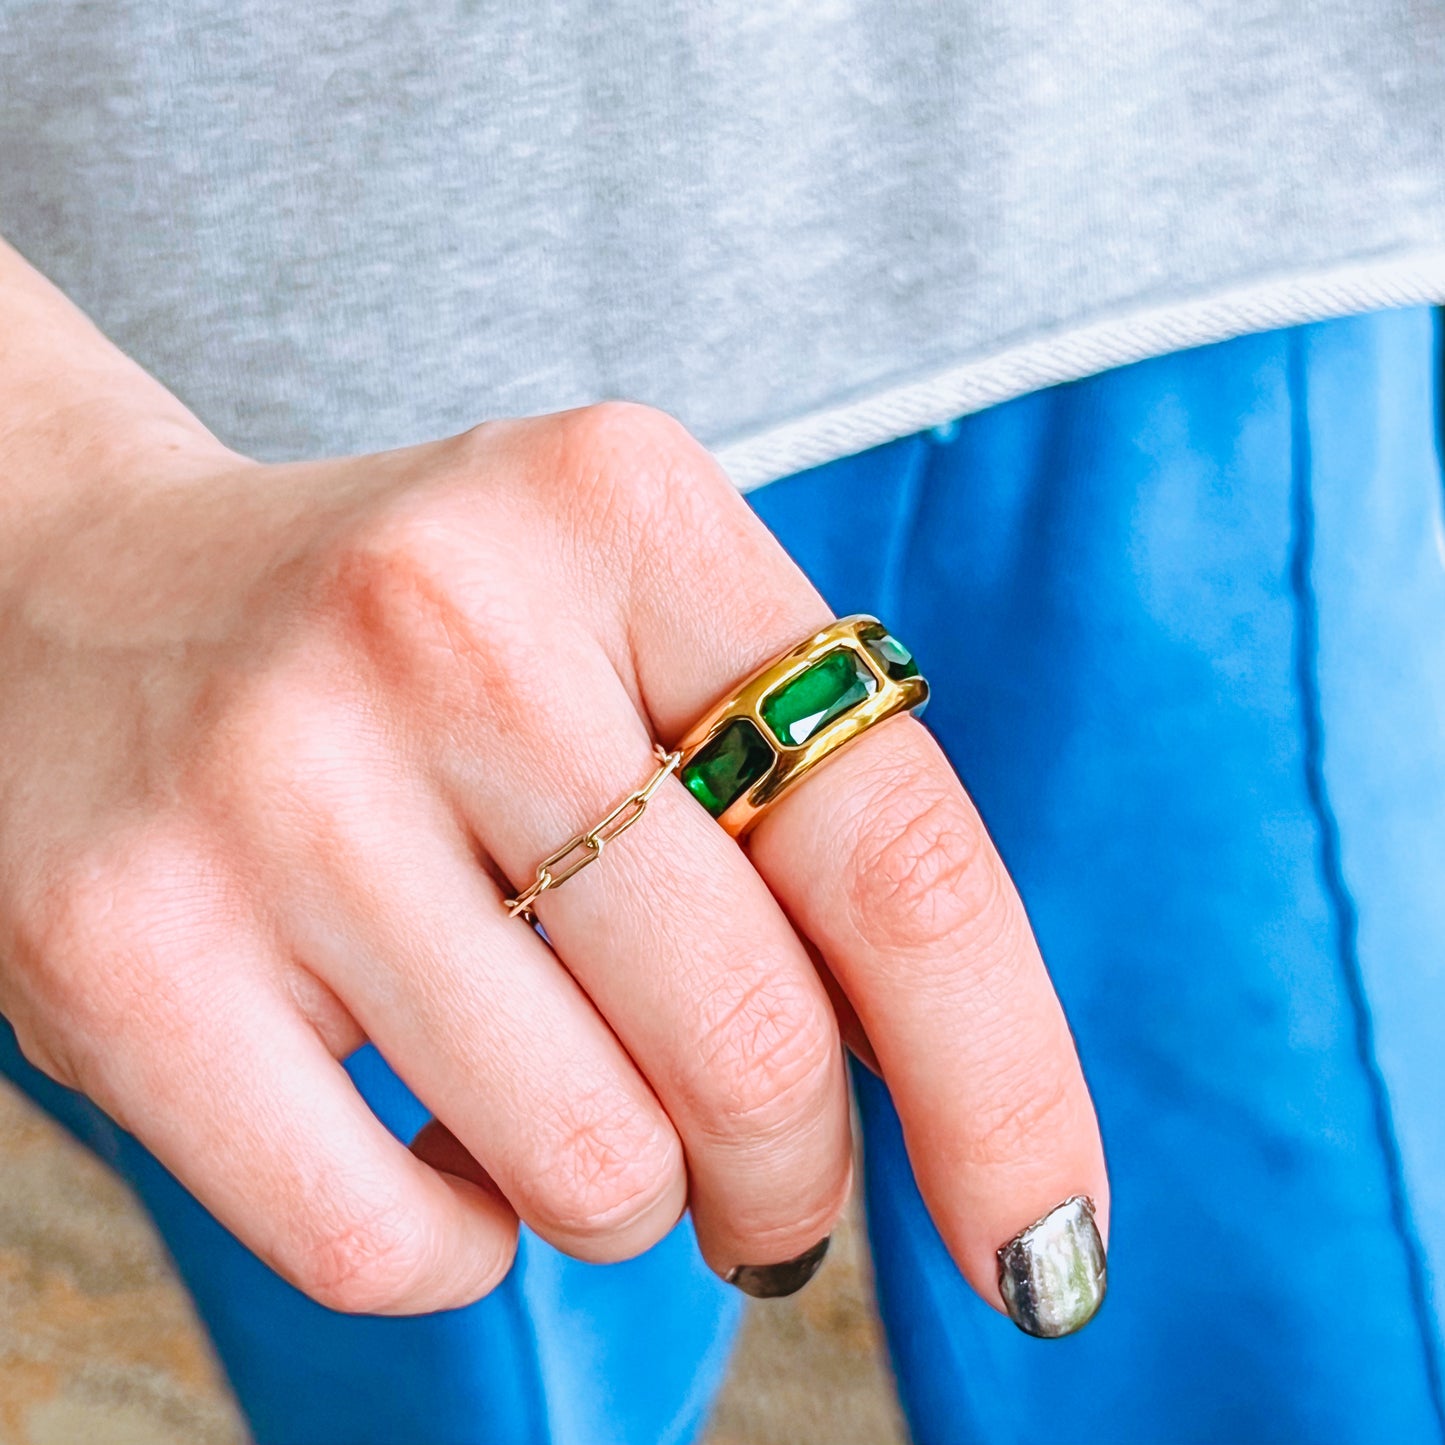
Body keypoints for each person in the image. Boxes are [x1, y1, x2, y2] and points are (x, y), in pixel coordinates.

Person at [0, 5, 1442, 1443]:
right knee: (475, 1279)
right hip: (284, 487)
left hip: (1218, 224)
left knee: (1303, 1335)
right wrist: (46, 516)